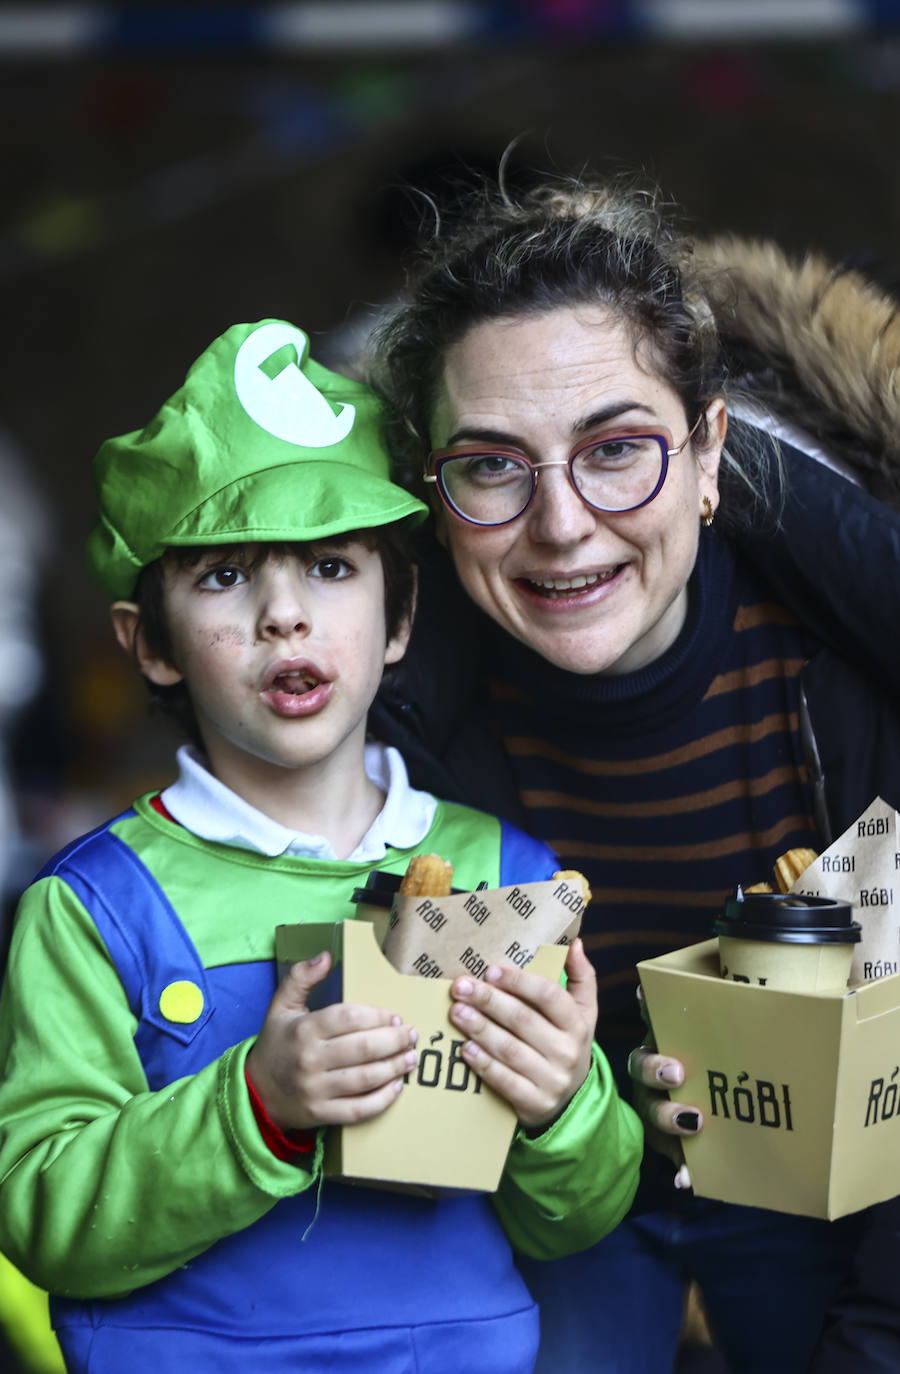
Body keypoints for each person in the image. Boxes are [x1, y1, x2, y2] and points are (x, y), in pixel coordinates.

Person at [0, 319, 644, 1373]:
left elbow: (574, 1223)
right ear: (146, 644)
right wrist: (257, 1104)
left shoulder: (503, 873)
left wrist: (563, 1105)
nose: (285, 615)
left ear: (398, 619)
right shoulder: (96, 908)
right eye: (223, 579)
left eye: (332, 566)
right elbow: (40, 1212)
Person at [366, 175, 900, 1373]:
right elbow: (410, 1166)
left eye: (617, 450)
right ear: (432, 495)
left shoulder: (846, 681)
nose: (562, 524)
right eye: (494, 467)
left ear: (711, 451)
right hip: (544, 1208)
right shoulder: (387, 731)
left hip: (849, 1217)